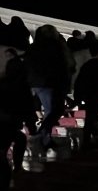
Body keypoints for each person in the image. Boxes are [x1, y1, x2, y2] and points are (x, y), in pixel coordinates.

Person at [24, 24, 76, 159]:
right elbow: (61, 66)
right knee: (55, 110)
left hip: (36, 83)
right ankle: (40, 135)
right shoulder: (56, 46)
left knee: (50, 111)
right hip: (51, 82)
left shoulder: (33, 47)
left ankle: (46, 139)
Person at [0, 49, 37, 191]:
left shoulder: (2, 82)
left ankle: (16, 168)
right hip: (8, 125)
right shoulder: (21, 85)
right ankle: (17, 168)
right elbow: (28, 107)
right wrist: (31, 125)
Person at [73, 40, 98, 149]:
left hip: (87, 95)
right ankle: (89, 136)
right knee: (92, 116)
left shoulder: (86, 65)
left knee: (90, 115)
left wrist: (78, 96)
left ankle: (89, 136)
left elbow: (79, 81)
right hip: (96, 94)